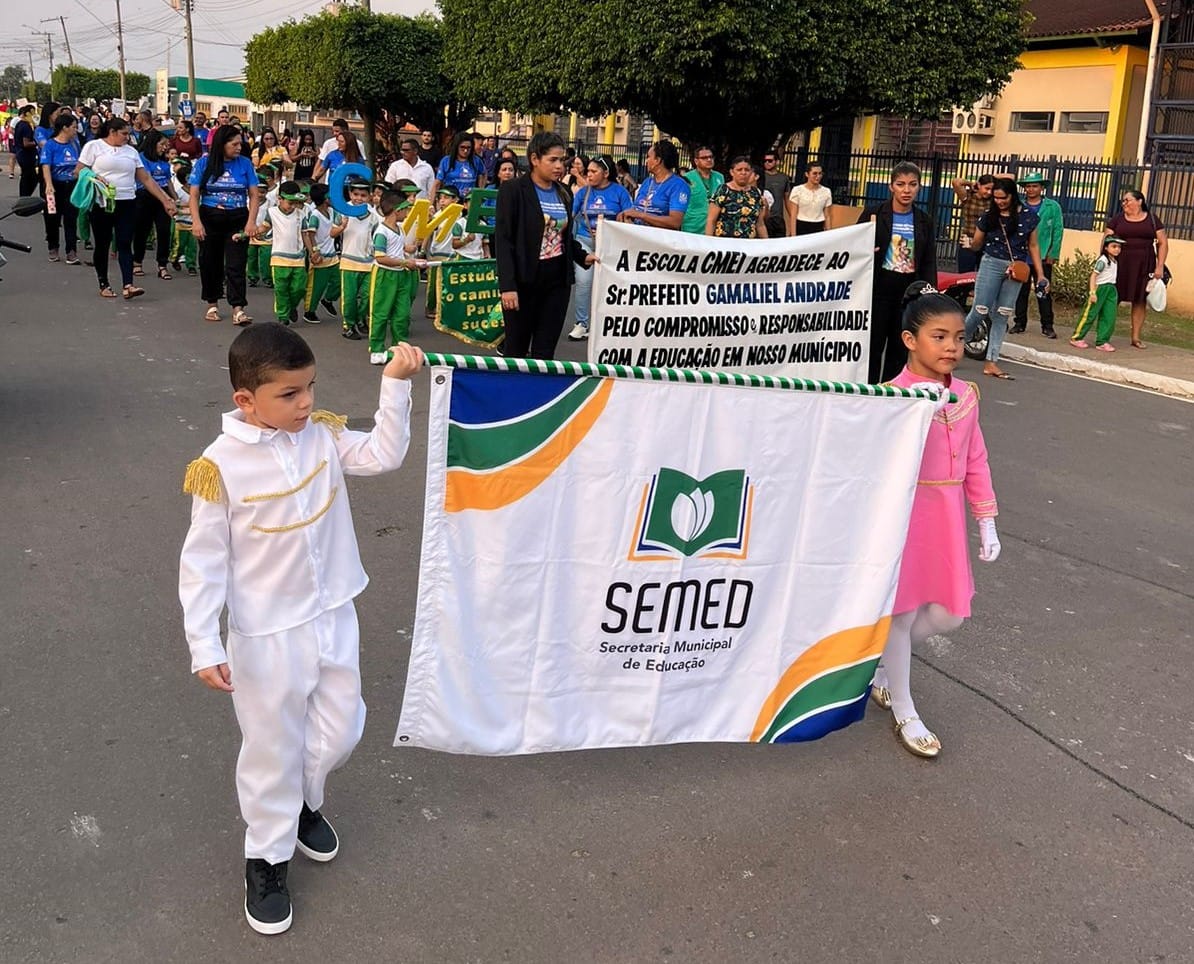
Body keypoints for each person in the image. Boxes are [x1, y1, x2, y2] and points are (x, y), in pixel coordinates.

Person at [178, 321, 423, 936]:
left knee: (341, 729)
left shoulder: (320, 436)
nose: (306, 402)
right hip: (267, 636)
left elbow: (384, 455)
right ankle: (266, 858)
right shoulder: (219, 467)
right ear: (246, 399)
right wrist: (203, 642)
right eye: (289, 394)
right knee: (270, 751)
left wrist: (394, 387)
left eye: (310, 387)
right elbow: (202, 563)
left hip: (335, 611)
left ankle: (306, 800)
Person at [869, 281, 1000, 758]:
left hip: (944, 517)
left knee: (949, 615)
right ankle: (904, 708)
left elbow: (976, 460)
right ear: (910, 341)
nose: (952, 347)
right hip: (904, 518)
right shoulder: (887, 398)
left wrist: (985, 519)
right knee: (900, 614)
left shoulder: (966, 395)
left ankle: (883, 668)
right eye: (939, 337)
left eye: (959, 338)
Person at [495, 131, 597, 358]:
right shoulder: (513, 190)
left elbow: (564, 237)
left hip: (557, 283)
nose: (559, 166)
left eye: (562, 160)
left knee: (545, 350)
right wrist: (508, 286)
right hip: (523, 281)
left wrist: (583, 256)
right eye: (552, 160)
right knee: (516, 350)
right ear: (534, 159)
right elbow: (504, 240)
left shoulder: (563, 194)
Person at [74, 116, 177, 300]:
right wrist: (95, 177)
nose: (127, 138)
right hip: (102, 203)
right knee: (103, 243)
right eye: (124, 134)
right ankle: (103, 282)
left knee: (124, 243)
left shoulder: (131, 152)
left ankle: (128, 285)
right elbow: (79, 170)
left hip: (127, 201)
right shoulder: (94, 147)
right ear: (112, 132)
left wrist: (165, 200)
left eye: (129, 134)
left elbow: (145, 179)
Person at [857, 162, 938, 381]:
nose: (906, 190)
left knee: (899, 349)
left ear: (919, 187)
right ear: (891, 186)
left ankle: (892, 392)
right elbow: (855, 249)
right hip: (878, 291)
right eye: (901, 184)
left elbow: (929, 260)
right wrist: (866, 250)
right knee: (872, 348)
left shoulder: (924, 220)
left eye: (912, 184)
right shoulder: (874, 214)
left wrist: (930, 293)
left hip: (908, 294)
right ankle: (868, 392)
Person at [961, 177, 1047, 380]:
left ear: (1012, 196)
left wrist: (1040, 274)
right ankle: (953, 348)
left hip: (1016, 268)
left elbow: (1033, 246)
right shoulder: (988, 216)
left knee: (1002, 314)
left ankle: (992, 362)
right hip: (991, 262)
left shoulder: (1028, 216)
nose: (999, 201)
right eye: (996, 197)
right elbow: (977, 244)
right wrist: (970, 243)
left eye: (1003, 198)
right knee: (980, 310)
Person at [189, 124, 260, 325]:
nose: (239, 147)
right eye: (234, 144)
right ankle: (212, 304)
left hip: (237, 217)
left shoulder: (245, 164)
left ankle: (238, 308)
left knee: (236, 264)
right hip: (210, 217)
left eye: (240, 144)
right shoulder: (204, 164)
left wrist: (251, 222)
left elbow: (254, 195)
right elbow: (194, 195)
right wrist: (196, 222)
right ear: (222, 144)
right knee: (210, 262)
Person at [568, 154, 633, 341]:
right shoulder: (583, 192)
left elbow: (630, 219)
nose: (588, 174)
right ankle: (582, 323)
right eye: (587, 171)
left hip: (612, 244)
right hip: (585, 240)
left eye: (593, 171)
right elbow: (570, 214)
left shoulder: (620, 193)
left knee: (612, 285)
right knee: (583, 281)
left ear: (605, 173)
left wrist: (612, 229)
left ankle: (610, 323)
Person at [1105, 189, 1168, 349]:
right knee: (1113, 298)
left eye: (1128, 200)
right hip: (1120, 263)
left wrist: (1159, 266)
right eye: (1123, 201)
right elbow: (1107, 240)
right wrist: (1105, 260)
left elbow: (1163, 243)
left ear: (1140, 201)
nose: (1124, 203)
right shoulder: (1117, 219)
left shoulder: (1152, 219)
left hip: (1144, 264)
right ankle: (1104, 335)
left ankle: (1135, 337)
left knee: (1140, 300)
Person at [368, 191, 422, 365]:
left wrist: (409, 250)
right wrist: (405, 263)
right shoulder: (381, 232)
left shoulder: (400, 229)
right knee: (381, 314)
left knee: (402, 314)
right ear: (396, 210)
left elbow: (398, 247)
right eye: (405, 209)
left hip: (401, 275)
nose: (407, 213)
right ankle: (376, 349)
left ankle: (400, 348)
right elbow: (380, 257)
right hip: (384, 275)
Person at [1011, 172, 1062, 338]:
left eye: (1035, 186)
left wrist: (1053, 253)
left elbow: (1057, 231)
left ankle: (1047, 325)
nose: (1031, 189)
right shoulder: (1019, 206)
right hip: (1022, 256)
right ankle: (1019, 323)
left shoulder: (1052, 207)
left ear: (1042, 188)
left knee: (1044, 292)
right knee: (1020, 292)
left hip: (1043, 255)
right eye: (1028, 186)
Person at [132, 129, 176, 281]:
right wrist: (164, 197)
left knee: (164, 231)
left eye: (166, 144)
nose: (165, 147)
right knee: (142, 231)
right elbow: (147, 179)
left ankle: (162, 265)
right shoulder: (142, 158)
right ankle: (137, 262)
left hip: (164, 195)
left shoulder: (163, 160)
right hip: (145, 195)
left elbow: (168, 179)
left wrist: (174, 197)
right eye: (162, 144)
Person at [262, 180, 308, 325]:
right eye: (290, 202)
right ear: (280, 199)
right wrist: (248, 234)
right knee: (281, 289)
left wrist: (313, 251)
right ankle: (283, 316)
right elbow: (263, 228)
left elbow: (305, 234)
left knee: (299, 288)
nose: (292, 206)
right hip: (279, 258)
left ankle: (292, 306)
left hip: (298, 258)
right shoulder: (272, 213)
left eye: (295, 202)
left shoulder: (301, 214)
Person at [39, 113, 82, 265]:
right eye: (73, 127)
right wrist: (49, 185)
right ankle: (53, 247)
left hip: (71, 185)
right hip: (54, 186)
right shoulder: (50, 145)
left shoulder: (75, 143)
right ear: (64, 128)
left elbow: (80, 164)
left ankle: (71, 251)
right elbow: (46, 166)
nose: (75, 130)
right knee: (53, 218)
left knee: (71, 218)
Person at [616, 141, 688, 231]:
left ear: (657, 160)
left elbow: (675, 222)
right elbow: (636, 208)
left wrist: (641, 215)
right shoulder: (647, 182)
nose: (646, 161)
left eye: (648, 157)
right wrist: (625, 215)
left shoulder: (678, 185)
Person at [337, 178, 377, 341]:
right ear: (349, 193)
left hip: (368, 262)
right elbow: (332, 233)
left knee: (367, 297)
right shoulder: (342, 210)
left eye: (363, 195)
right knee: (350, 297)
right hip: (348, 262)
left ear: (369, 196)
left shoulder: (373, 216)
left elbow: (376, 237)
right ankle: (348, 325)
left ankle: (361, 320)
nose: (358, 198)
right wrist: (342, 226)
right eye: (355, 194)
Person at [1071, 235, 1124, 352]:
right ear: (1106, 247)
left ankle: (1102, 341)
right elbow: (1093, 276)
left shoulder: (1114, 261)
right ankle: (1077, 337)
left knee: (1109, 316)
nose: (1117, 249)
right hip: (1100, 288)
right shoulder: (1103, 261)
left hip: (1111, 289)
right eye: (1113, 246)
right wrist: (1092, 292)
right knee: (1090, 314)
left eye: (1119, 247)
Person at [301, 182, 344, 323]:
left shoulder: (332, 212)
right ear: (325, 199)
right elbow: (310, 235)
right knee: (316, 287)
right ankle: (309, 311)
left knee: (338, 282)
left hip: (332, 255)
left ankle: (328, 299)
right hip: (320, 256)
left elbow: (341, 219)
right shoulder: (315, 215)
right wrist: (314, 251)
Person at [706, 156, 768, 239]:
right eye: (739, 170)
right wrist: (708, 242)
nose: (743, 173)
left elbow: (760, 224)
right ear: (732, 172)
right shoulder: (723, 190)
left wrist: (766, 243)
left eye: (747, 170)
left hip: (748, 244)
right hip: (724, 244)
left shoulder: (755, 193)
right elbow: (711, 220)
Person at [949, 173, 993, 273]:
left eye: (992, 189)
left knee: (985, 276)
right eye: (986, 188)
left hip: (986, 242)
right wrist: (971, 183)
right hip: (968, 240)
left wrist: (992, 178)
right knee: (965, 276)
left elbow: (1010, 177)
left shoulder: (993, 200)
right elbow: (956, 182)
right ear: (979, 185)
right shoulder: (968, 197)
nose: (989, 192)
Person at [247, 166, 279, 289]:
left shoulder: (271, 204)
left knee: (266, 259)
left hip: (266, 235)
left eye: (263, 192)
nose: (260, 195)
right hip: (251, 234)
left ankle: (267, 278)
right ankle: (252, 277)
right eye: (258, 192)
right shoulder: (247, 203)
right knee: (251, 257)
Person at [681, 145, 724, 235]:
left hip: (715, 228)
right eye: (704, 158)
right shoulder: (687, 178)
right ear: (696, 161)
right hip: (692, 228)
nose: (709, 160)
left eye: (711, 157)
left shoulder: (719, 177)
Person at [433, 132, 486, 200]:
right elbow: (437, 183)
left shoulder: (476, 161)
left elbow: (484, 173)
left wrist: (480, 190)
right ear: (456, 146)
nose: (465, 150)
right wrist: (431, 204)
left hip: (469, 201)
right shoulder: (446, 161)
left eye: (468, 148)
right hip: (450, 200)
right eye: (462, 147)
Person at [786, 163, 834, 236]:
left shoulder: (826, 191)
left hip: (818, 227)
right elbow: (793, 215)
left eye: (820, 174)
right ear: (807, 174)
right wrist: (793, 236)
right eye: (814, 174)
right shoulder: (797, 190)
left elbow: (827, 215)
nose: (818, 177)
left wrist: (829, 235)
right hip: (801, 226)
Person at [171, 159, 198, 276]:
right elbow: (175, 206)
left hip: (193, 223)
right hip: (180, 223)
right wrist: (188, 209)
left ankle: (191, 265)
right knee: (180, 245)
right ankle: (175, 259)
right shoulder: (179, 192)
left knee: (192, 246)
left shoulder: (197, 192)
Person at [760, 150, 792, 238]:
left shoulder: (784, 178)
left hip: (778, 218)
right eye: (765, 161)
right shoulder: (759, 176)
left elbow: (787, 199)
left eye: (770, 161)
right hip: (763, 218)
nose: (767, 163)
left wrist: (792, 217)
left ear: (777, 161)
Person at [14, 105, 38, 197]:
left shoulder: (19, 124)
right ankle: (25, 197)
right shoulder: (26, 126)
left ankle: (24, 196)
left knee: (26, 177)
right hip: (26, 156)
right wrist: (37, 142)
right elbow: (26, 143)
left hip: (21, 154)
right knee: (30, 177)